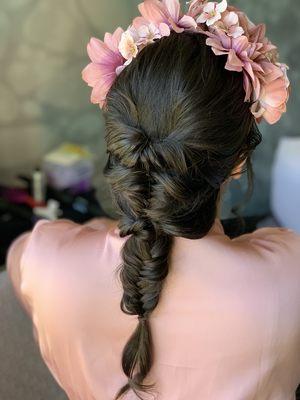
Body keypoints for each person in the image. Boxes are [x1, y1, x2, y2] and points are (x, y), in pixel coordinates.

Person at [7, 1, 300, 399]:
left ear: (123, 141)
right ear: (239, 161)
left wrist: (95, 232)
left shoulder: (44, 259)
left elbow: (18, 260)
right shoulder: (288, 275)